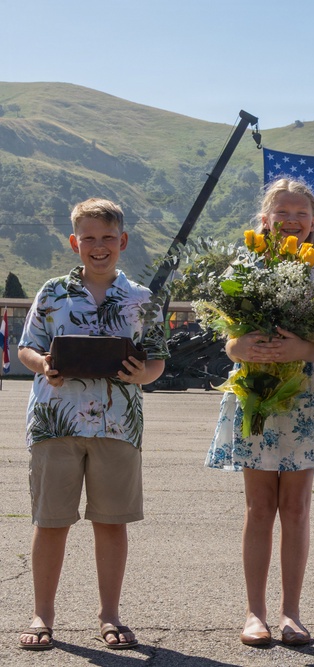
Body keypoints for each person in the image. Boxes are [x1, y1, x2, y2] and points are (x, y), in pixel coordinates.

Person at [17, 198, 168, 651]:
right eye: (88, 238)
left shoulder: (143, 299)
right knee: (51, 522)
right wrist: (44, 365)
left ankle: (110, 616)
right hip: (54, 422)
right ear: (74, 242)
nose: (97, 246)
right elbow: (27, 348)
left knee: (111, 522)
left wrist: (142, 375)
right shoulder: (51, 292)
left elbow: (157, 360)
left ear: (122, 241)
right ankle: (42, 615)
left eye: (107, 238)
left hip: (118, 426)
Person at [207, 178, 314, 647]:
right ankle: (254, 613)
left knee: (297, 507)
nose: (291, 220)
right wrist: (238, 345)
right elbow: (228, 339)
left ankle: (291, 613)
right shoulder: (243, 265)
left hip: (305, 395)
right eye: (281, 212)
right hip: (257, 394)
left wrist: (301, 346)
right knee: (259, 507)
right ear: (264, 219)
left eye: (300, 213)